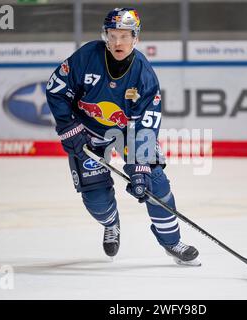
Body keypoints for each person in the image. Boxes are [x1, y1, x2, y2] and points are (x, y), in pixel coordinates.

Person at [46, 8, 200, 266]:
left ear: (136, 38)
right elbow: (56, 90)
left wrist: (140, 168)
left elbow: (146, 123)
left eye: (125, 36)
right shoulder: (87, 56)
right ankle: (111, 223)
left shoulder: (144, 75)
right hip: (87, 133)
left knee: (154, 182)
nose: (118, 42)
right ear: (105, 35)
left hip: (127, 134)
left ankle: (172, 242)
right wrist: (69, 128)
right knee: (95, 199)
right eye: (113, 35)